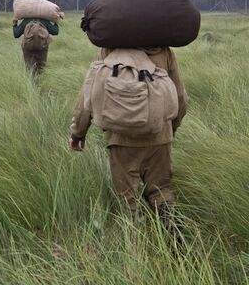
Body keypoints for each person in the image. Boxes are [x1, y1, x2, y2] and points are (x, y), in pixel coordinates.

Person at [69, 46, 187, 240]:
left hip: (120, 140)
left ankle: (134, 250)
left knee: (127, 198)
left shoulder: (107, 50)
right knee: (160, 191)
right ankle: (174, 242)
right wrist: (171, 128)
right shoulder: (163, 51)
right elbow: (180, 97)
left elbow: (87, 98)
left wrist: (78, 134)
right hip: (159, 137)